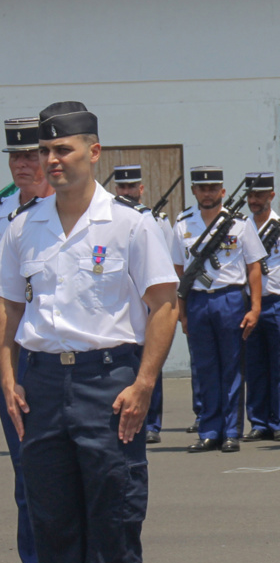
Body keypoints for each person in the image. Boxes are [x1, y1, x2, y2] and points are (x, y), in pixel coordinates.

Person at [2, 101, 179, 563]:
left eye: (63, 150)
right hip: (42, 383)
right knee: (52, 519)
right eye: (44, 152)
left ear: (93, 152)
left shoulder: (131, 225)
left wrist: (145, 383)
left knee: (113, 516)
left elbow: (163, 304)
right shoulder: (25, 225)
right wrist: (7, 374)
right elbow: (8, 308)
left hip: (109, 382)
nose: (51, 161)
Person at [171, 166, 265, 452]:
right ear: (194, 191)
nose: (208, 193)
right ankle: (209, 430)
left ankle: (231, 431)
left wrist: (255, 307)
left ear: (222, 191)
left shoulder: (239, 224)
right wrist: (183, 313)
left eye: (213, 188)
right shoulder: (183, 224)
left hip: (230, 299)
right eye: (202, 188)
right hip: (199, 301)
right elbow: (178, 274)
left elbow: (254, 267)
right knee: (205, 368)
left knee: (232, 366)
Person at [0, 116, 50, 563]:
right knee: (24, 471)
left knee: (64, 471)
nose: (23, 164)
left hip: (52, 356)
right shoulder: (2, 213)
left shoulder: (64, 213)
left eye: (31, 155)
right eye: (15, 156)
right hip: (10, 357)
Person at [112, 164, 169, 444]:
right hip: (124, 302)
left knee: (149, 362)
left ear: (141, 189)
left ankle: (152, 423)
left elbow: (166, 264)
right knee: (126, 363)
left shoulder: (157, 220)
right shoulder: (113, 219)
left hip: (150, 299)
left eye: (131, 187)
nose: (127, 191)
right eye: (122, 187)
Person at [243, 172, 280, 442]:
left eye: (260, 196)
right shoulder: (241, 227)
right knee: (254, 366)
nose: (254, 200)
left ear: (271, 196)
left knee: (279, 365)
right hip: (250, 304)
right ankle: (258, 422)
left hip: (278, 302)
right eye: (251, 196)